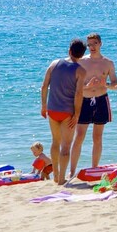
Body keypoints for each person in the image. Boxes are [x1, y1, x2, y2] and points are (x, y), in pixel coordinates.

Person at [69, 32, 117, 178]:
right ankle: (72, 171)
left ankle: (94, 169)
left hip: (102, 100)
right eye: (89, 45)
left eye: (94, 44)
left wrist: (106, 84)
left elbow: (116, 84)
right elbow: (74, 86)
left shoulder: (108, 63)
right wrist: (87, 85)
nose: (92, 47)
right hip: (84, 101)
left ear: (100, 44)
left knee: (98, 137)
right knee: (79, 136)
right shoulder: (82, 62)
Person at [40, 39, 87, 185]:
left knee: (55, 142)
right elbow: (79, 94)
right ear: (82, 55)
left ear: (69, 50)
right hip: (68, 112)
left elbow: (44, 86)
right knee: (66, 146)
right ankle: (61, 179)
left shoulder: (54, 64)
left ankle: (55, 176)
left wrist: (43, 106)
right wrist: (77, 114)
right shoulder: (80, 70)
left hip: (52, 109)